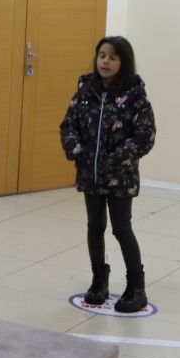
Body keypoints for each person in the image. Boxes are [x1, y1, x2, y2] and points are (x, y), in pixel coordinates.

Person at [60, 36, 157, 313]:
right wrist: (77, 151)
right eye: (102, 55)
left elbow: (144, 136)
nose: (105, 61)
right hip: (90, 175)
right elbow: (68, 125)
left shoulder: (135, 97)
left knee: (121, 229)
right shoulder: (85, 91)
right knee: (95, 226)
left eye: (113, 57)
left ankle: (136, 288)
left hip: (120, 177)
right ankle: (99, 280)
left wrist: (114, 159)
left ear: (124, 62)